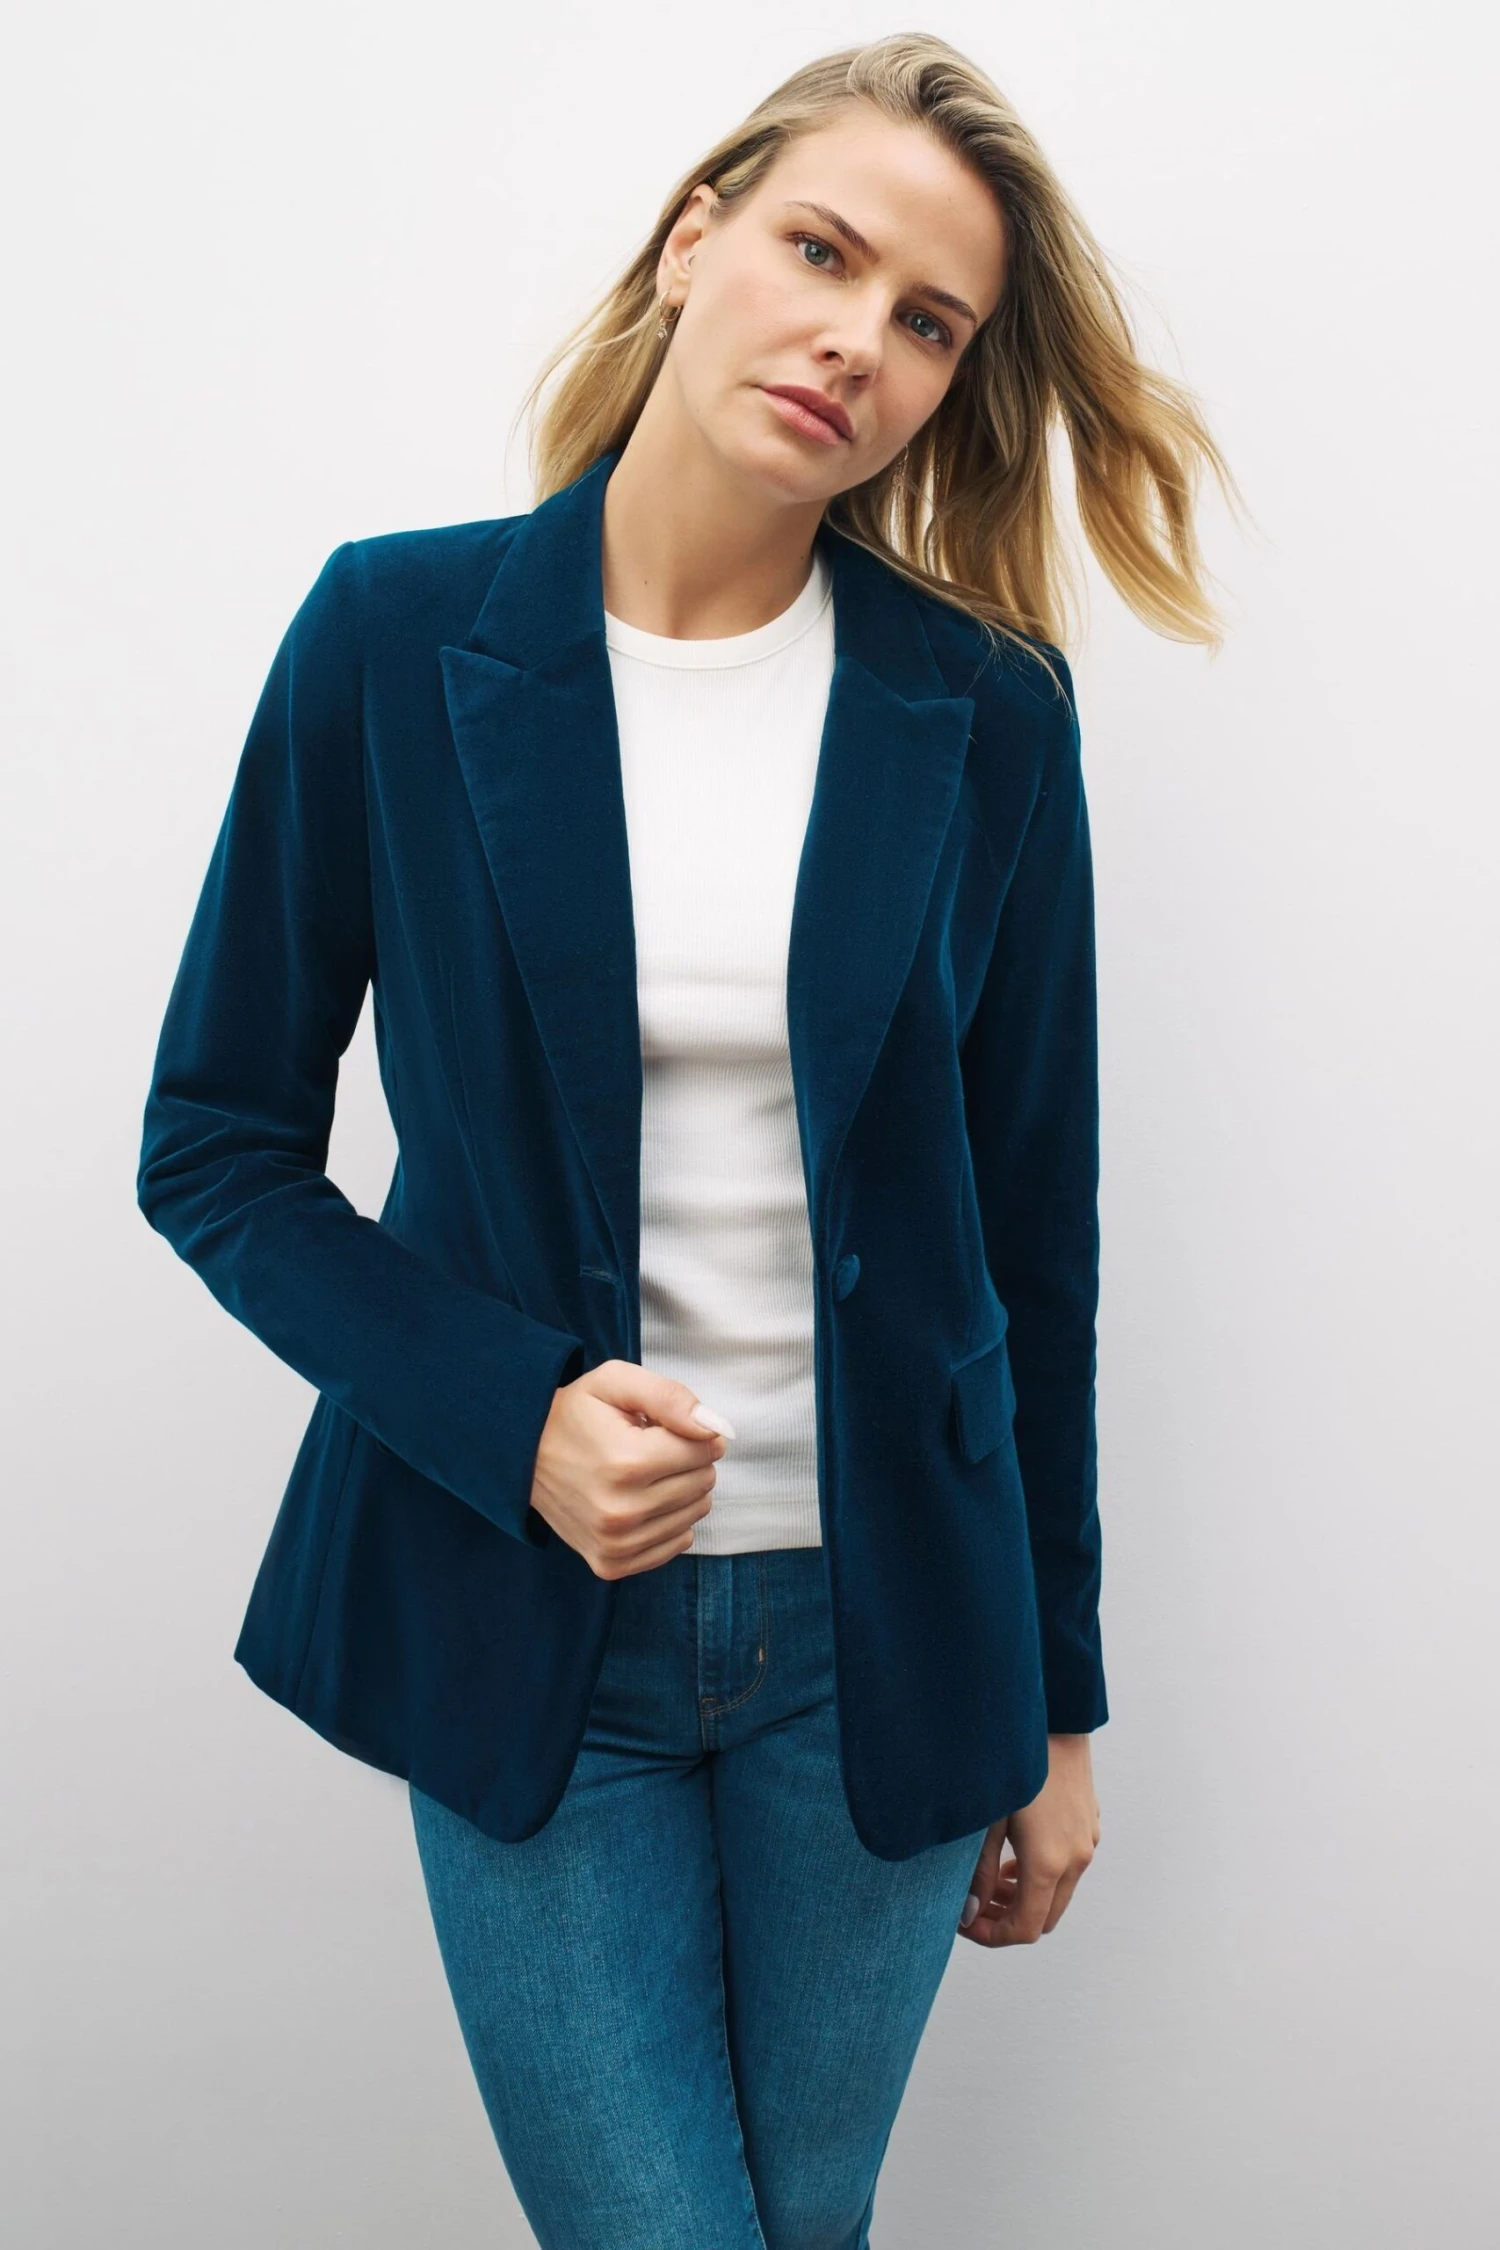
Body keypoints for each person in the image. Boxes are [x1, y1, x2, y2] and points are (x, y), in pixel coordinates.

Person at [137, 32, 1237, 2249]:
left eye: (928, 321)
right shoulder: (394, 638)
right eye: (822, 253)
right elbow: (216, 1142)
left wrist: (1063, 1705)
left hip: (889, 1639)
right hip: (526, 1607)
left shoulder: (985, 712)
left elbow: (1036, 1242)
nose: (860, 341)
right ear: (691, 240)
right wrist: (515, 1412)